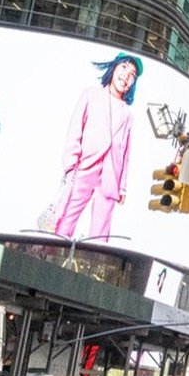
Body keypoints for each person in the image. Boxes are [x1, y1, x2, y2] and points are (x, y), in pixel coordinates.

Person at [42, 51, 143, 241]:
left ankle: (94, 263)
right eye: (124, 68)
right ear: (113, 68)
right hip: (85, 167)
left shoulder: (128, 115)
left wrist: (122, 187)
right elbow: (75, 130)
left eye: (132, 75)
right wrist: (71, 164)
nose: (126, 77)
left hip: (110, 177)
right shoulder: (91, 95)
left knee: (100, 232)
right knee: (65, 220)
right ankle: (53, 250)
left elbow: (126, 154)